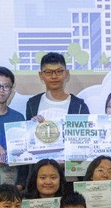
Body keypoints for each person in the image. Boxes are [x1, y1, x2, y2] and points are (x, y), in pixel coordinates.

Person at [16, 52, 90, 189]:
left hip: (70, 178)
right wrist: (33, 128)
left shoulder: (79, 106)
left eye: (59, 71)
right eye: (48, 72)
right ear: (41, 75)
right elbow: (26, 143)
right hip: (41, 179)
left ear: (66, 73)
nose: (54, 76)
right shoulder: (32, 104)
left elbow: (85, 143)